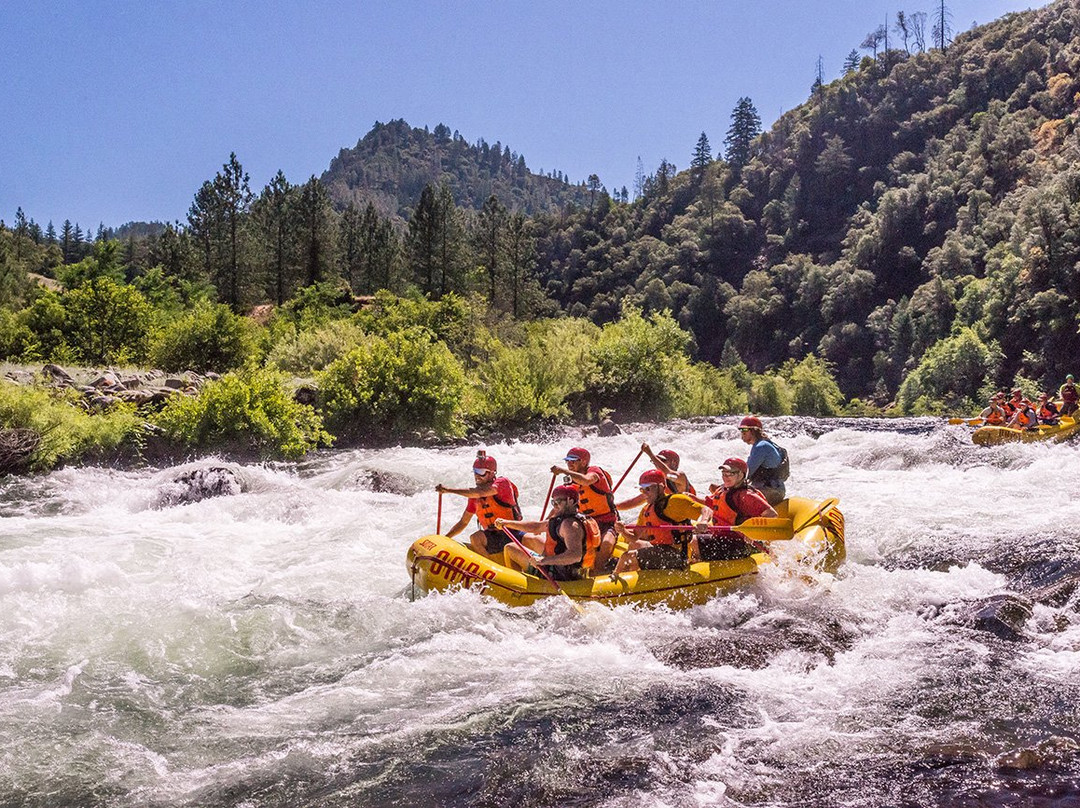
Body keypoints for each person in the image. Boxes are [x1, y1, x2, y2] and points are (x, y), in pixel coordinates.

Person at [612, 469, 711, 574]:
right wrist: (622, 531)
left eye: (648, 488)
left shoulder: (675, 501)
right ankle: (634, 576)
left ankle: (614, 577)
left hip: (677, 554)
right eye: (642, 489)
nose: (644, 493)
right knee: (634, 545)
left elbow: (706, 509)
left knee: (627, 556)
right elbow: (634, 537)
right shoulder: (646, 510)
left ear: (660, 487)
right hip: (660, 549)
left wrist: (704, 521)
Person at [495, 485, 600, 581]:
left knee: (510, 548)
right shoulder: (570, 518)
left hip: (561, 574)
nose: (555, 506)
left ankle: (518, 585)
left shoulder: (570, 525)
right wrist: (507, 523)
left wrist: (543, 561)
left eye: (558, 502)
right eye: (553, 502)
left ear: (571, 501)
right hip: (570, 569)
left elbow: (575, 555)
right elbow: (537, 527)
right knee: (531, 539)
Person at [435, 451, 523, 561]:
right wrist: (445, 538)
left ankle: (491, 566)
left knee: (476, 538)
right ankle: (489, 564)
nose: (477, 475)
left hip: (512, 534)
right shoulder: (474, 497)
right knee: (471, 541)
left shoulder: (502, 483)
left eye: (481, 472)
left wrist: (448, 490)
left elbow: (481, 492)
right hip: (494, 537)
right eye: (475, 471)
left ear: (492, 473)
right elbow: (463, 522)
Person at [691, 457, 778, 562]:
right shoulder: (723, 490)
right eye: (724, 473)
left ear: (741, 475)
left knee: (693, 541)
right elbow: (710, 505)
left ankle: (698, 563)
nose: (725, 477)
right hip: (721, 537)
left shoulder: (747, 496)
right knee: (688, 534)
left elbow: (772, 514)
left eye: (730, 474)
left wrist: (753, 532)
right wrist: (692, 499)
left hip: (738, 544)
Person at [550, 447, 618, 571]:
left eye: (573, 461)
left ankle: (599, 570)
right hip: (587, 524)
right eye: (567, 461)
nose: (569, 464)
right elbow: (561, 505)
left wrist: (563, 471)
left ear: (584, 462)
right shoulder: (572, 482)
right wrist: (547, 521)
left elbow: (586, 480)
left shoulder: (595, 472)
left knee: (606, 543)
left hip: (607, 522)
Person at [615, 442, 696, 512]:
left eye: (662, 460)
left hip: (680, 520)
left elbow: (667, 473)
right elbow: (636, 501)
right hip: (665, 519)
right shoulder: (659, 482)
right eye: (656, 460)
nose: (656, 463)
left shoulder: (680, 477)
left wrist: (650, 453)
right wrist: (613, 507)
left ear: (674, 463)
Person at [738, 416, 789, 506]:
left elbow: (746, 473)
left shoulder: (761, 447)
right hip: (774, 489)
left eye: (745, 430)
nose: (742, 433)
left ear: (754, 431)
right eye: (741, 430)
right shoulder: (763, 444)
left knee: (737, 499)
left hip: (771, 491)